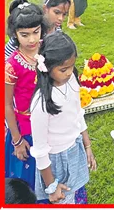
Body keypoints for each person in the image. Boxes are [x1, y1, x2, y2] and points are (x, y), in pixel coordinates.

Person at [30, 32, 96, 204]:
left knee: (75, 195)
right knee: (63, 199)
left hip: (75, 148)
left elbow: (77, 113)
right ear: (47, 66)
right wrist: (51, 186)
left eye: (72, 66)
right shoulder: (41, 103)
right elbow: (40, 150)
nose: (69, 73)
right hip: (56, 162)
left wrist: (87, 145)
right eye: (63, 69)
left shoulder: (72, 80)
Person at [4, 0, 47, 189]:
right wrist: (17, 140)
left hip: (51, 123)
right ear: (15, 34)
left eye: (36, 32)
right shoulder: (12, 65)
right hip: (26, 131)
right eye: (25, 35)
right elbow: (7, 106)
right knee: (30, 183)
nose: (32, 39)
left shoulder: (48, 49)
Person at [4, 0, 71, 60]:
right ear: (45, 8)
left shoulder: (57, 30)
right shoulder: (31, 26)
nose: (61, 18)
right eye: (57, 12)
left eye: (64, 14)